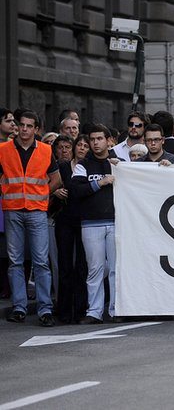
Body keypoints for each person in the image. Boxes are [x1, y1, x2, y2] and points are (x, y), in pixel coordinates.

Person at [0, 110, 60, 326]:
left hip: (36, 210)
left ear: (36, 129)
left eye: (29, 126)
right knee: (15, 261)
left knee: (41, 262)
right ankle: (19, 307)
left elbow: (56, 179)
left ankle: (45, 309)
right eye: (21, 125)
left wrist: (43, 194)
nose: (24, 129)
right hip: (13, 209)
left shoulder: (45, 150)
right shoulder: (3, 149)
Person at [71, 125, 118, 324]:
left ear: (108, 140)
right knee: (95, 269)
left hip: (117, 223)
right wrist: (100, 183)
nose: (96, 142)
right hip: (90, 224)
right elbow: (75, 190)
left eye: (100, 138)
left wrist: (121, 168)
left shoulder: (119, 163)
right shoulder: (83, 164)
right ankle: (95, 311)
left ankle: (117, 310)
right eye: (93, 139)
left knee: (117, 269)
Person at [52, 134, 89, 323]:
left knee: (82, 266)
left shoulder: (90, 167)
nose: (82, 148)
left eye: (85, 145)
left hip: (85, 220)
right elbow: (50, 184)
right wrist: (55, 191)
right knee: (65, 265)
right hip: (65, 219)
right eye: (79, 145)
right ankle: (64, 310)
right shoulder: (63, 166)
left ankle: (81, 310)